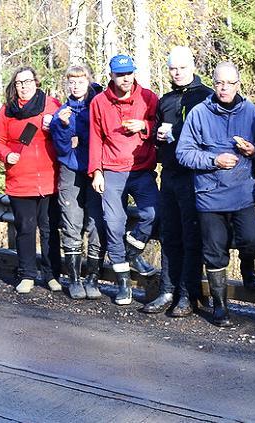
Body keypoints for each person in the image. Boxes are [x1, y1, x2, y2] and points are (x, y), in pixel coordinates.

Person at [177, 62, 255, 327]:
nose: (224, 88)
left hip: (242, 192)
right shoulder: (199, 114)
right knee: (214, 250)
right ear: (213, 83)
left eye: (229, 83)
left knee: (251, 240)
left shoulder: (252, 113)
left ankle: (248, 267)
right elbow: (183, 153)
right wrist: (214, 160)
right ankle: (220, 306)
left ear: (238, 84)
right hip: (209, 195)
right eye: (219, 83)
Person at [144, 46, 214, 317]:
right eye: (173, 68)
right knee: (169, 234)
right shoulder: (166, 99)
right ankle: (167, 290)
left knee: (191, 236)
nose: (178, 73)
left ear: (192, 67)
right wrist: (157, 136)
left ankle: (187, 294)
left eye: (182, 68)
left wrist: (175, 133)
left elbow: (208, 134)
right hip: (170, 173)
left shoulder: (206, 96)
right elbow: (155, 134)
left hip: (195, 176)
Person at [88, 54, 160, 306]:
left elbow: (160, 126)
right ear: (111, 76)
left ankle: (133, 251)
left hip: (142, 169)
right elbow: (95, 137)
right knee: (114, 224)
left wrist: (144, 125)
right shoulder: (99, 102)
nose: (125, 78)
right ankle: (123, 285)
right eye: (120, 74)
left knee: (153, 212)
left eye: (129, 73)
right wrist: (96, 171)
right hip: (112, 170)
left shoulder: (148, 97)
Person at [0, 66, 62, 294]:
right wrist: (6, 154)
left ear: (36, 82)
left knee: (49, 229)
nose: (24, 86)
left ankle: (52, 275)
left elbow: (69, 130)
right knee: (26, 229)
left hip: (50, 179)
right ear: (14, 86)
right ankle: (27, 274)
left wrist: (57, 124)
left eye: (28, 81)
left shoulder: (52, 104)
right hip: (20, 181)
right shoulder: (6, 111)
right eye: (19, 83)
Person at [48, 65, 104, 300]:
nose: (75, 86)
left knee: (96, 222)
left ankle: (92, 279)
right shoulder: (63, 112)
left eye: (80, 82)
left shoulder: (99, 105)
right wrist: (61, 126)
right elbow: (61, 148)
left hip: (96, 168)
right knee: (72, 222)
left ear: (88, 82)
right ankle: (74, 280)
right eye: (71, 82)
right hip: (70, 169)